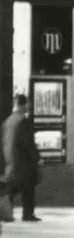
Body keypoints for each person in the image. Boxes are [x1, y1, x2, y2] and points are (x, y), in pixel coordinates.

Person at [1, 94, 41, 222]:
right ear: (23, 105)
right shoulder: (22, 121)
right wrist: (36, 157)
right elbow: (27, 142)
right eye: (28, 104)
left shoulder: (8, 121)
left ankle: (6, 212)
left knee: (10, 187)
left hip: (10, 160)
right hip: (22, 161)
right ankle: (28, 214)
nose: (29, 107)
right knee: (28, 187)